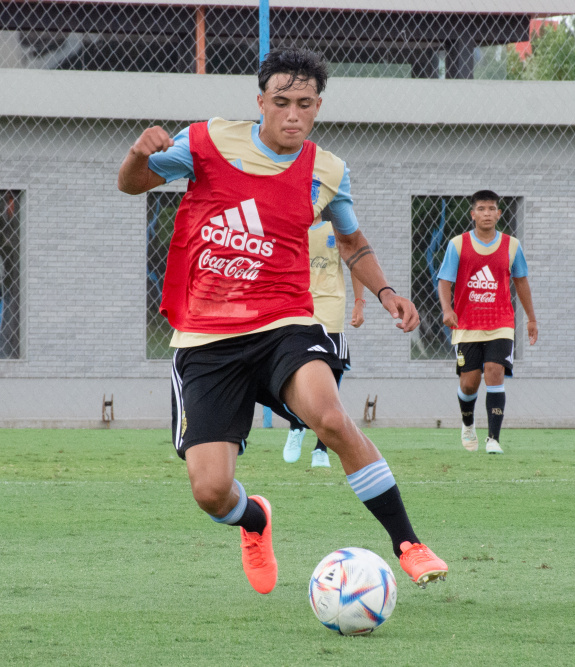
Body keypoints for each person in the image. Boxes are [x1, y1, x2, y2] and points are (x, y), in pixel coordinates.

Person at [117, 47, 447, 593]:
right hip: (205, 339)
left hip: (285, 324)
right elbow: (131, 183)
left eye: (305, 104)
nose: (293, 115)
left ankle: (408, 543)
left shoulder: (328, 169)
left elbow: (352, 241)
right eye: (282, 102)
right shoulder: (204, 142)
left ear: (318, 106)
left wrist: (386, 291)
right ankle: (255, 520)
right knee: (210, 491)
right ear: (260, 102)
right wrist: (137, 153)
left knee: (334, 419)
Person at [436, 190, 537, 454]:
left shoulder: (511, 245)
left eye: (492, 209)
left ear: (499, 213)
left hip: (500, 322)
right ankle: (468, 423)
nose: (487, 214)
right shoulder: (457, 244)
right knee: (470, 382)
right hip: (466, 325)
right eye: (481, 209)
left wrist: (531, 319)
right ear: (473, 214)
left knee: (494, 371)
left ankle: (493, 439)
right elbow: (444, 281)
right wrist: (447, 310)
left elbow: (521, 281)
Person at [282, 212, 367, 468]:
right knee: (296, 371)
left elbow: (356, 262)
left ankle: (321, 449)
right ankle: (296, 426)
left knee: (331, 376)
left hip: (331, 309)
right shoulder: (288, 223)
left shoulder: (336, 226)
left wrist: (359, 303)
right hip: (298, 309)